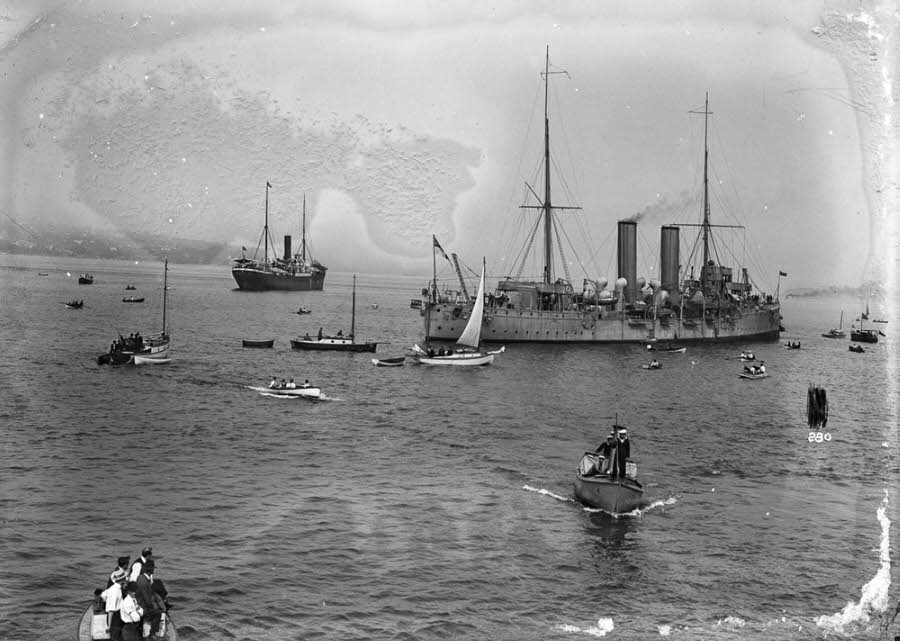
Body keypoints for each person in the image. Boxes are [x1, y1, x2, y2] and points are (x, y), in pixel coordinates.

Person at [135, 560, 164, 639]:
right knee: (158, 614)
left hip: (138, 603)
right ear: (150, 570)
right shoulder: (145, 582)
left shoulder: (140, 577)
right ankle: (152, 634)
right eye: (153, 569)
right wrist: (153, 608)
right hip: (143, 606)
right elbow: (147, 599)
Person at [101, 569, 127, 641]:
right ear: (122, 579)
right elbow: (111, 610)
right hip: (115, 617)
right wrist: (109, 625)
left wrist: (107, 601)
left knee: (118, 636)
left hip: (118, 615)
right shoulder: (115, 591)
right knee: (116, 637)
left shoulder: (113, 588)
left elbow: (103, 595)